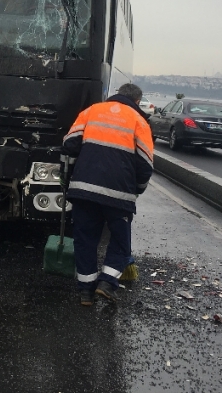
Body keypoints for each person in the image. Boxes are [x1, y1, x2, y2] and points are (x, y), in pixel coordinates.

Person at [61, 82, 154, 306]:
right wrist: (137, 191)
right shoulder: (139, 122)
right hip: (119, 195)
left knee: (85, 240)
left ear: (116, 95)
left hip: (84, 190)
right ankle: (107, 283)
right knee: (121, 243)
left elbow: (69, 146)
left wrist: (68, 181)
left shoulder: (91, 111)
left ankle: (85, 292)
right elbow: (145, 165)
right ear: (137, 101)